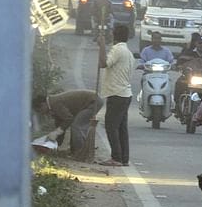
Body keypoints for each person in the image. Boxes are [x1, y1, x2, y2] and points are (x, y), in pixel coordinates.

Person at [98, 24, 134, 166]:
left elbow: (103, 63)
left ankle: (116, 157)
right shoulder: (128, 52)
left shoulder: (118, 49)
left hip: (117, 93)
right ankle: (123, 158)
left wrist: (101, 45)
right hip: (125, 94)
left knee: (111, 126)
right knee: (121, 127)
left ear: (114, 35)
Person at [32, 89, 104, 156]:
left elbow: (69, 119)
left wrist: (57, 132)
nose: (42, 113)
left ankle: (80, 152)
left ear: (43, 104)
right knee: (76, 125)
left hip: (93, 101)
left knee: (77, 126)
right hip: (91, 101)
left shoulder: (54, 103)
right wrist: (55, 142)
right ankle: (74, 150)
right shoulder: (51, 105)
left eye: (40, 110)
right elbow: (60, 123)